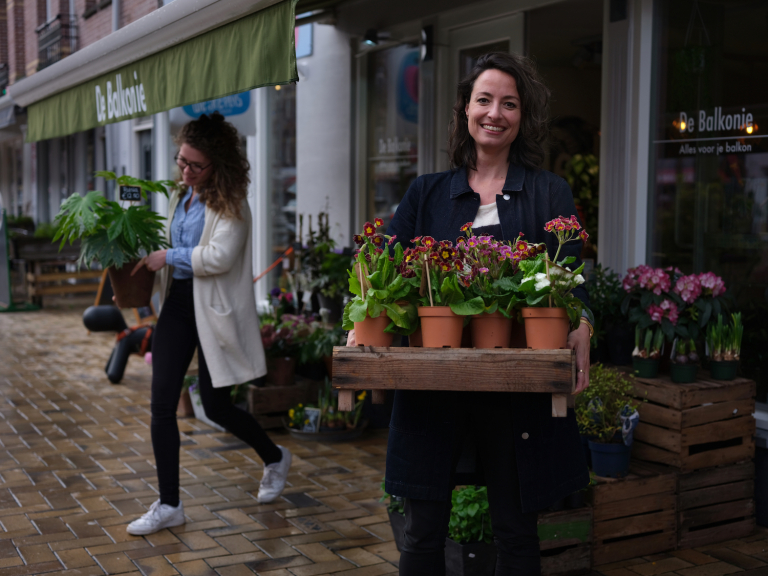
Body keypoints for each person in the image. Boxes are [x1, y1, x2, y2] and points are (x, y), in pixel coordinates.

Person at [347, 52, 593, 575]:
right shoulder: (427, 193)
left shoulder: (548, 192)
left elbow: (573, 278)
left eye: (509, 103)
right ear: (465, 109)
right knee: (421, 533)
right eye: (484, 100)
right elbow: (384, 269)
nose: (494, 113)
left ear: (523, 116)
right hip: (434, 383)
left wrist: (584, 326)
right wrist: (359, 324)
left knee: (516, 532)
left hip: (515, 391)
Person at [126, 113, 292, 536]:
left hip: (213, 309)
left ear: (218, 164)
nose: (185, 171)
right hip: (178, 306)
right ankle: (169, 504)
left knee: (217, 407)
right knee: (162, 404)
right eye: (181, 161)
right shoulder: (179, 196)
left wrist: (170, 257)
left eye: (195, 166)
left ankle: (274, 456)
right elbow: (169, 243)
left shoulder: (232, 203)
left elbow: (218, 257)